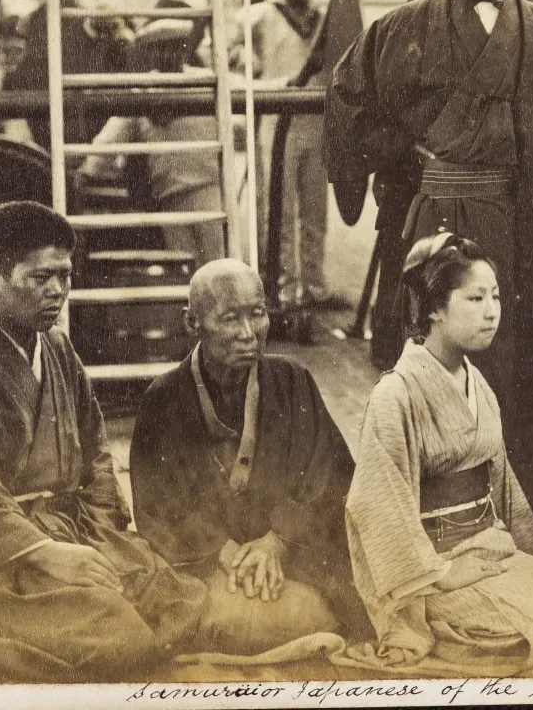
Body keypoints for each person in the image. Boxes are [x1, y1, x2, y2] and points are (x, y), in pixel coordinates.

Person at [326, 0, 533, 520]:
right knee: (431, 370)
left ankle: (522, 528)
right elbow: (351, 107)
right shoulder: (401, 27)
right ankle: (432, 524)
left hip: (516, 231)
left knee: (516, 375)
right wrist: (406, 158)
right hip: (432, 226)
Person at [0, 202, 213, 680]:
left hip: (70, 532)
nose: (58, 290)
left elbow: (96, 454)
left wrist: (98, 535)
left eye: (65, 275)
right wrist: (47, 553)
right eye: (41, 277)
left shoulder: (58, 348)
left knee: (178, 600)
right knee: (121, 636)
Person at [344, 233, 533, 671]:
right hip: (430, 570)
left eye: (496, 296)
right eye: (475, 298)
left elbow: (503, 486)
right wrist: (441, 574)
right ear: (434, 309)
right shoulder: (396, 394)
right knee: (530, 625)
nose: (492, 311)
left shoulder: (478, 384)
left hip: (486, 549)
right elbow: (378, 504)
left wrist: (532, 554)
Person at [128, 258, 371, 653]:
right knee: (197, 613)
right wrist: (226, 553)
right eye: (230, 318)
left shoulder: (293, 382)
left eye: (257, 314)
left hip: (294, 553)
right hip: (206, 561)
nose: (248, 333)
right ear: (192, 322)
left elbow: (333, 476)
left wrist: (277, 542)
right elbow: (157, 507)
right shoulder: (163, 399)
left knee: (340, 600)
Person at [78, 11, 227, 264]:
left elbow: (245, 90)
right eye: (160, 48)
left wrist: (286, 83)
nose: (168, 55)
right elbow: (113, 135)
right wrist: (88, 168)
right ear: (150, 53)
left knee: (218, 261)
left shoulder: (205, 81)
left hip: (207, 189)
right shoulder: (144, 89)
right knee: (183, 264)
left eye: (174, 48)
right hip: (169, 195)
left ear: (184, 50)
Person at [246, 0, 334, 312]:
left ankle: (313, 290)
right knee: (278, 211)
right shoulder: (259, 17)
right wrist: (268, 81)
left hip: (316, 122)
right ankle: (282, 289)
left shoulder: (323, 19)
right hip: (276, 121)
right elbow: (235, 66)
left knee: (315, 212)